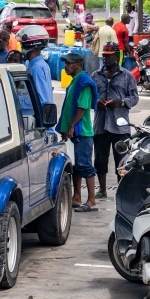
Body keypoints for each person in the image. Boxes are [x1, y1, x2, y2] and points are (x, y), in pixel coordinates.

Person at [90, 42, 139, 196]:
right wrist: (96, 102)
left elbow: (134, 97)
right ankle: (102, 189)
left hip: (120, 126)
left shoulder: (127, 76)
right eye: (104, 56)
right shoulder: (95, 76)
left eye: (109, 56)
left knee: (122, 161)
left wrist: (121, 102)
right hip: (100, 125)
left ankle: (122, 190)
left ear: (117, 56)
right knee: (100, 160)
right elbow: (89, 97)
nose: (105, 59)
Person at [56, 53, 98, 212]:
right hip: (74, 132)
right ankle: (77, 197)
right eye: (65, 63)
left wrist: (72, 125)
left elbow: (82, 107)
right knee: (77, 166)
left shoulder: (84, 82)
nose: (65, 66)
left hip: (83, 132)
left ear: (78, 65)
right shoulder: (75, 81)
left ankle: (92, 201)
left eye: (68, 63)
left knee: (85, 165)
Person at [18, 25, 53, 105]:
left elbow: (43, 100)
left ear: (29, 44)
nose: (20, 47)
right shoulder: (37, 64)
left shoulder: (37, 68)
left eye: (21, 44)